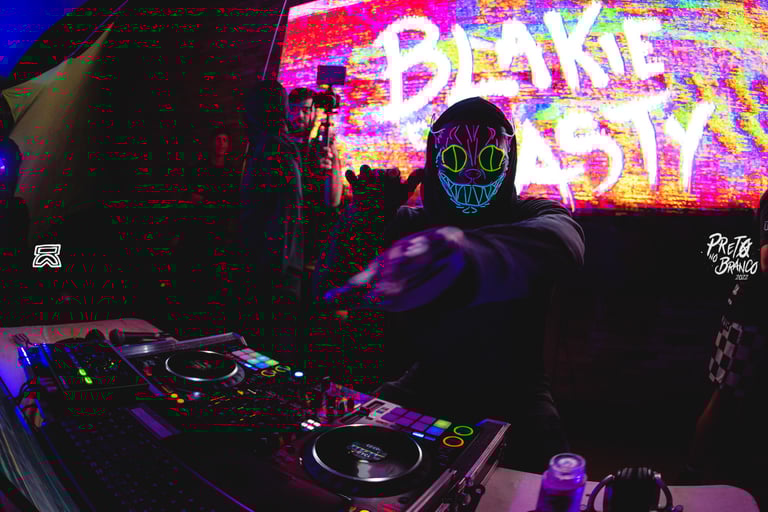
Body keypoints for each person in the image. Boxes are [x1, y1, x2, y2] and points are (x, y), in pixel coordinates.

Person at [318, 97, 585, 472]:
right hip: (427, 381)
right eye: (457, 159)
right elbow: (332, 288)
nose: (472, 174)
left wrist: (460, 254)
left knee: (547, 484)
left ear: (508, 162)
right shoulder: (412, 221)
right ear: (437, 161)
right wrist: (361, 221)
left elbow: (563, 241)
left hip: (517, 391)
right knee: (345, 460)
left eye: (488, 160)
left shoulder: (533, 214)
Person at [682, 188, 768, 507]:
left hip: (753, 313)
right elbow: (767, 260)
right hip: (750, 315)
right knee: (725, 396)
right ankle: (691, 473)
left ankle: (730, 470)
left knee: (738, 398)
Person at [238, 80, 304, 356]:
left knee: (269, 359)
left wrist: (269, 275)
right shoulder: (269, 149)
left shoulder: (274, 152)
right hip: (269, 274)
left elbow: (284, 219)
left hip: (273, 280)